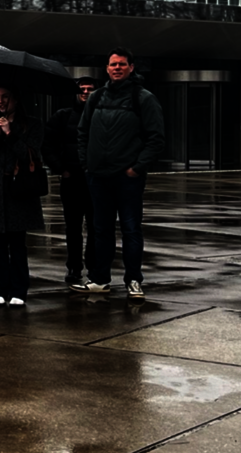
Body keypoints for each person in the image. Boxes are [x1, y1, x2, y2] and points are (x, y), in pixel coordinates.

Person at [72, 48, 165, 300]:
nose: (117, 68)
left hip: (127, 179)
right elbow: (83, 133)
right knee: (100, 230)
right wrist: (86, 164)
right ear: (107, 68)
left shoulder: (143, 98)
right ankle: (100, 279)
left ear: (131, 67)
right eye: (113, 64)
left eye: (122, 64)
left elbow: (156, 139)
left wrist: (136, 168)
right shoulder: (97, 97)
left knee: (131, 229)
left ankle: (133, 280)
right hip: (98, 177)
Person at [0, 85, 44, 307]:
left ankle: (19, 289)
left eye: (5, 97)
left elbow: (32, 156)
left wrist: (10, 133)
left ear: (15, 99)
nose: (0, 102)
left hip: (19, 188)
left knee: (17, 241)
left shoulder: (31, 125)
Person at [45, 76, 98, 286]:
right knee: (73, 227)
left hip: (95, 180)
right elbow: (48, 144)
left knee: (96, 227)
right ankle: (74, 268)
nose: (85, 92)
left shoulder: (101, 116)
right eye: (82, 89)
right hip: (72, 179)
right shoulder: (63, 116)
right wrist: (61, 169)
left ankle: (94, 268)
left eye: (90, 89)